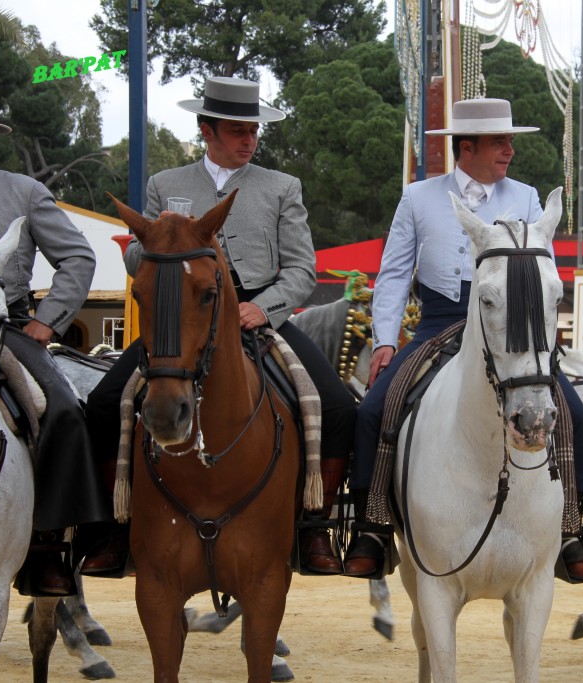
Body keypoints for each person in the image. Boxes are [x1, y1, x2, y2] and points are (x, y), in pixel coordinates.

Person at [82, 77, 357, 576]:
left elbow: (301, 270)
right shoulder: (166, 184)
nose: (249, 140)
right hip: (182, 316)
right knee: (103, 404)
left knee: (336, 405)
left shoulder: (281, 187)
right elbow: (139, 261)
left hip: (256, 313)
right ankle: (113, 528)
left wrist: (264, 308)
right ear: (206, 130)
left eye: (253, 131)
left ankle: (313, 526)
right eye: (236, 131)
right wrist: (155, 239)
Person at [343, 97, 583, 582]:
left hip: (511, 327)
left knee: (575, 415)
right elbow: (395, 274)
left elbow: (539, 276)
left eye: (509, 141)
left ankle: (570, 530)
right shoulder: (418, 197)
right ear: (467, 147)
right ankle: (373, 524)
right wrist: (383, 341)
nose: (509, 150)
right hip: (439, 320)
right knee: (373, 410)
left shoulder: (526, 197)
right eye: (500, 142)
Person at [0, 119, 108, 595]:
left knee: (61, 409)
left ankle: (45, 548)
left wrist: (49, 320)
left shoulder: (23, 191)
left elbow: (78, 257)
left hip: (3, 326)